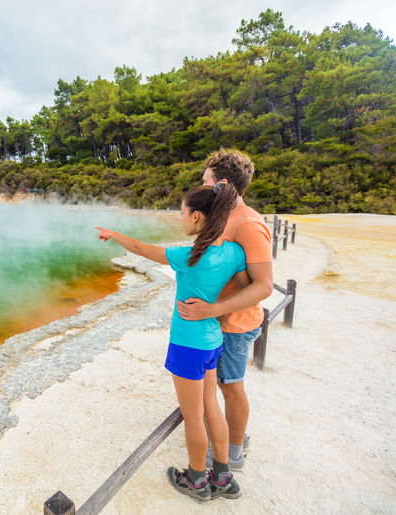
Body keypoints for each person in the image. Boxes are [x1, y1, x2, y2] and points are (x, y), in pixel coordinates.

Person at [97, 182, 248, 502]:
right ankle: (222, 477)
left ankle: (195, 480)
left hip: (187, 344)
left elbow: (140, 249)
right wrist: (216, 308)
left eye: (181, 213)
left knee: (193, 416)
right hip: (212, 340)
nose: (179, 219)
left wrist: (113, 234)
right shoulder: (233, 253)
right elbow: (244, 287)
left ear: (196, 217)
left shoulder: (189, 256)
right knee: (211, 408)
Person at [176, 149, 274, 472]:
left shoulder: (247, 224)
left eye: (206, 181)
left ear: (223, 183)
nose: (201, 185)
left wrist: (213, 309)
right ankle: (234, 438)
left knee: (231, 387)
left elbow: (263, 286)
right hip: (218, 322)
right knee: (218, 386)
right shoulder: (222, 217)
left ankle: (233, 453)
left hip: (235, 322)